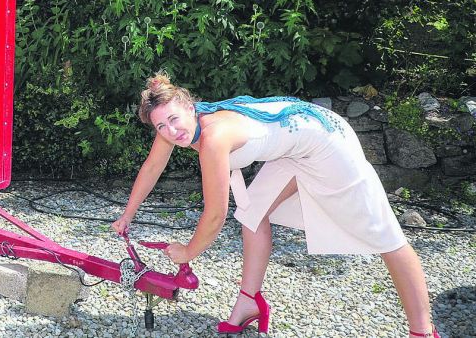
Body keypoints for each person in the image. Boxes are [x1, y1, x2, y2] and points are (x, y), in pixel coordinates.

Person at [111, 72, 440, 338]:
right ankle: (249, 302)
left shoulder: (213, 138)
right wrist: (127, 214)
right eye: (161, 126)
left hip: (326, 141)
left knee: (385, 236)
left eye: (173, 119)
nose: (171, 130)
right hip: (295, 146)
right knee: (253, 213)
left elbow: (215, 214)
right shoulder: (174, 128)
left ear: (189, 106)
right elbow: (152, 167)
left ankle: (423, 332)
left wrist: (188, 251)